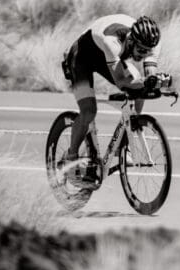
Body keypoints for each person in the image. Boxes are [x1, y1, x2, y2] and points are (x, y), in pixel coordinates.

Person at [61, 14, 166, 184]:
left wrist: (155, 82)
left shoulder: (152, 42)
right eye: (140, 51)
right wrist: (144, 83)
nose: (143, 56)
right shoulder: (112, 41)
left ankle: (123, 146)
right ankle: (70, 158)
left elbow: (149, 75)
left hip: (107, 58)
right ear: (131, 40)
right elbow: (122, 81)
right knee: (89, 111)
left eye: (147, 52)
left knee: (139, 93)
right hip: (81, 57)